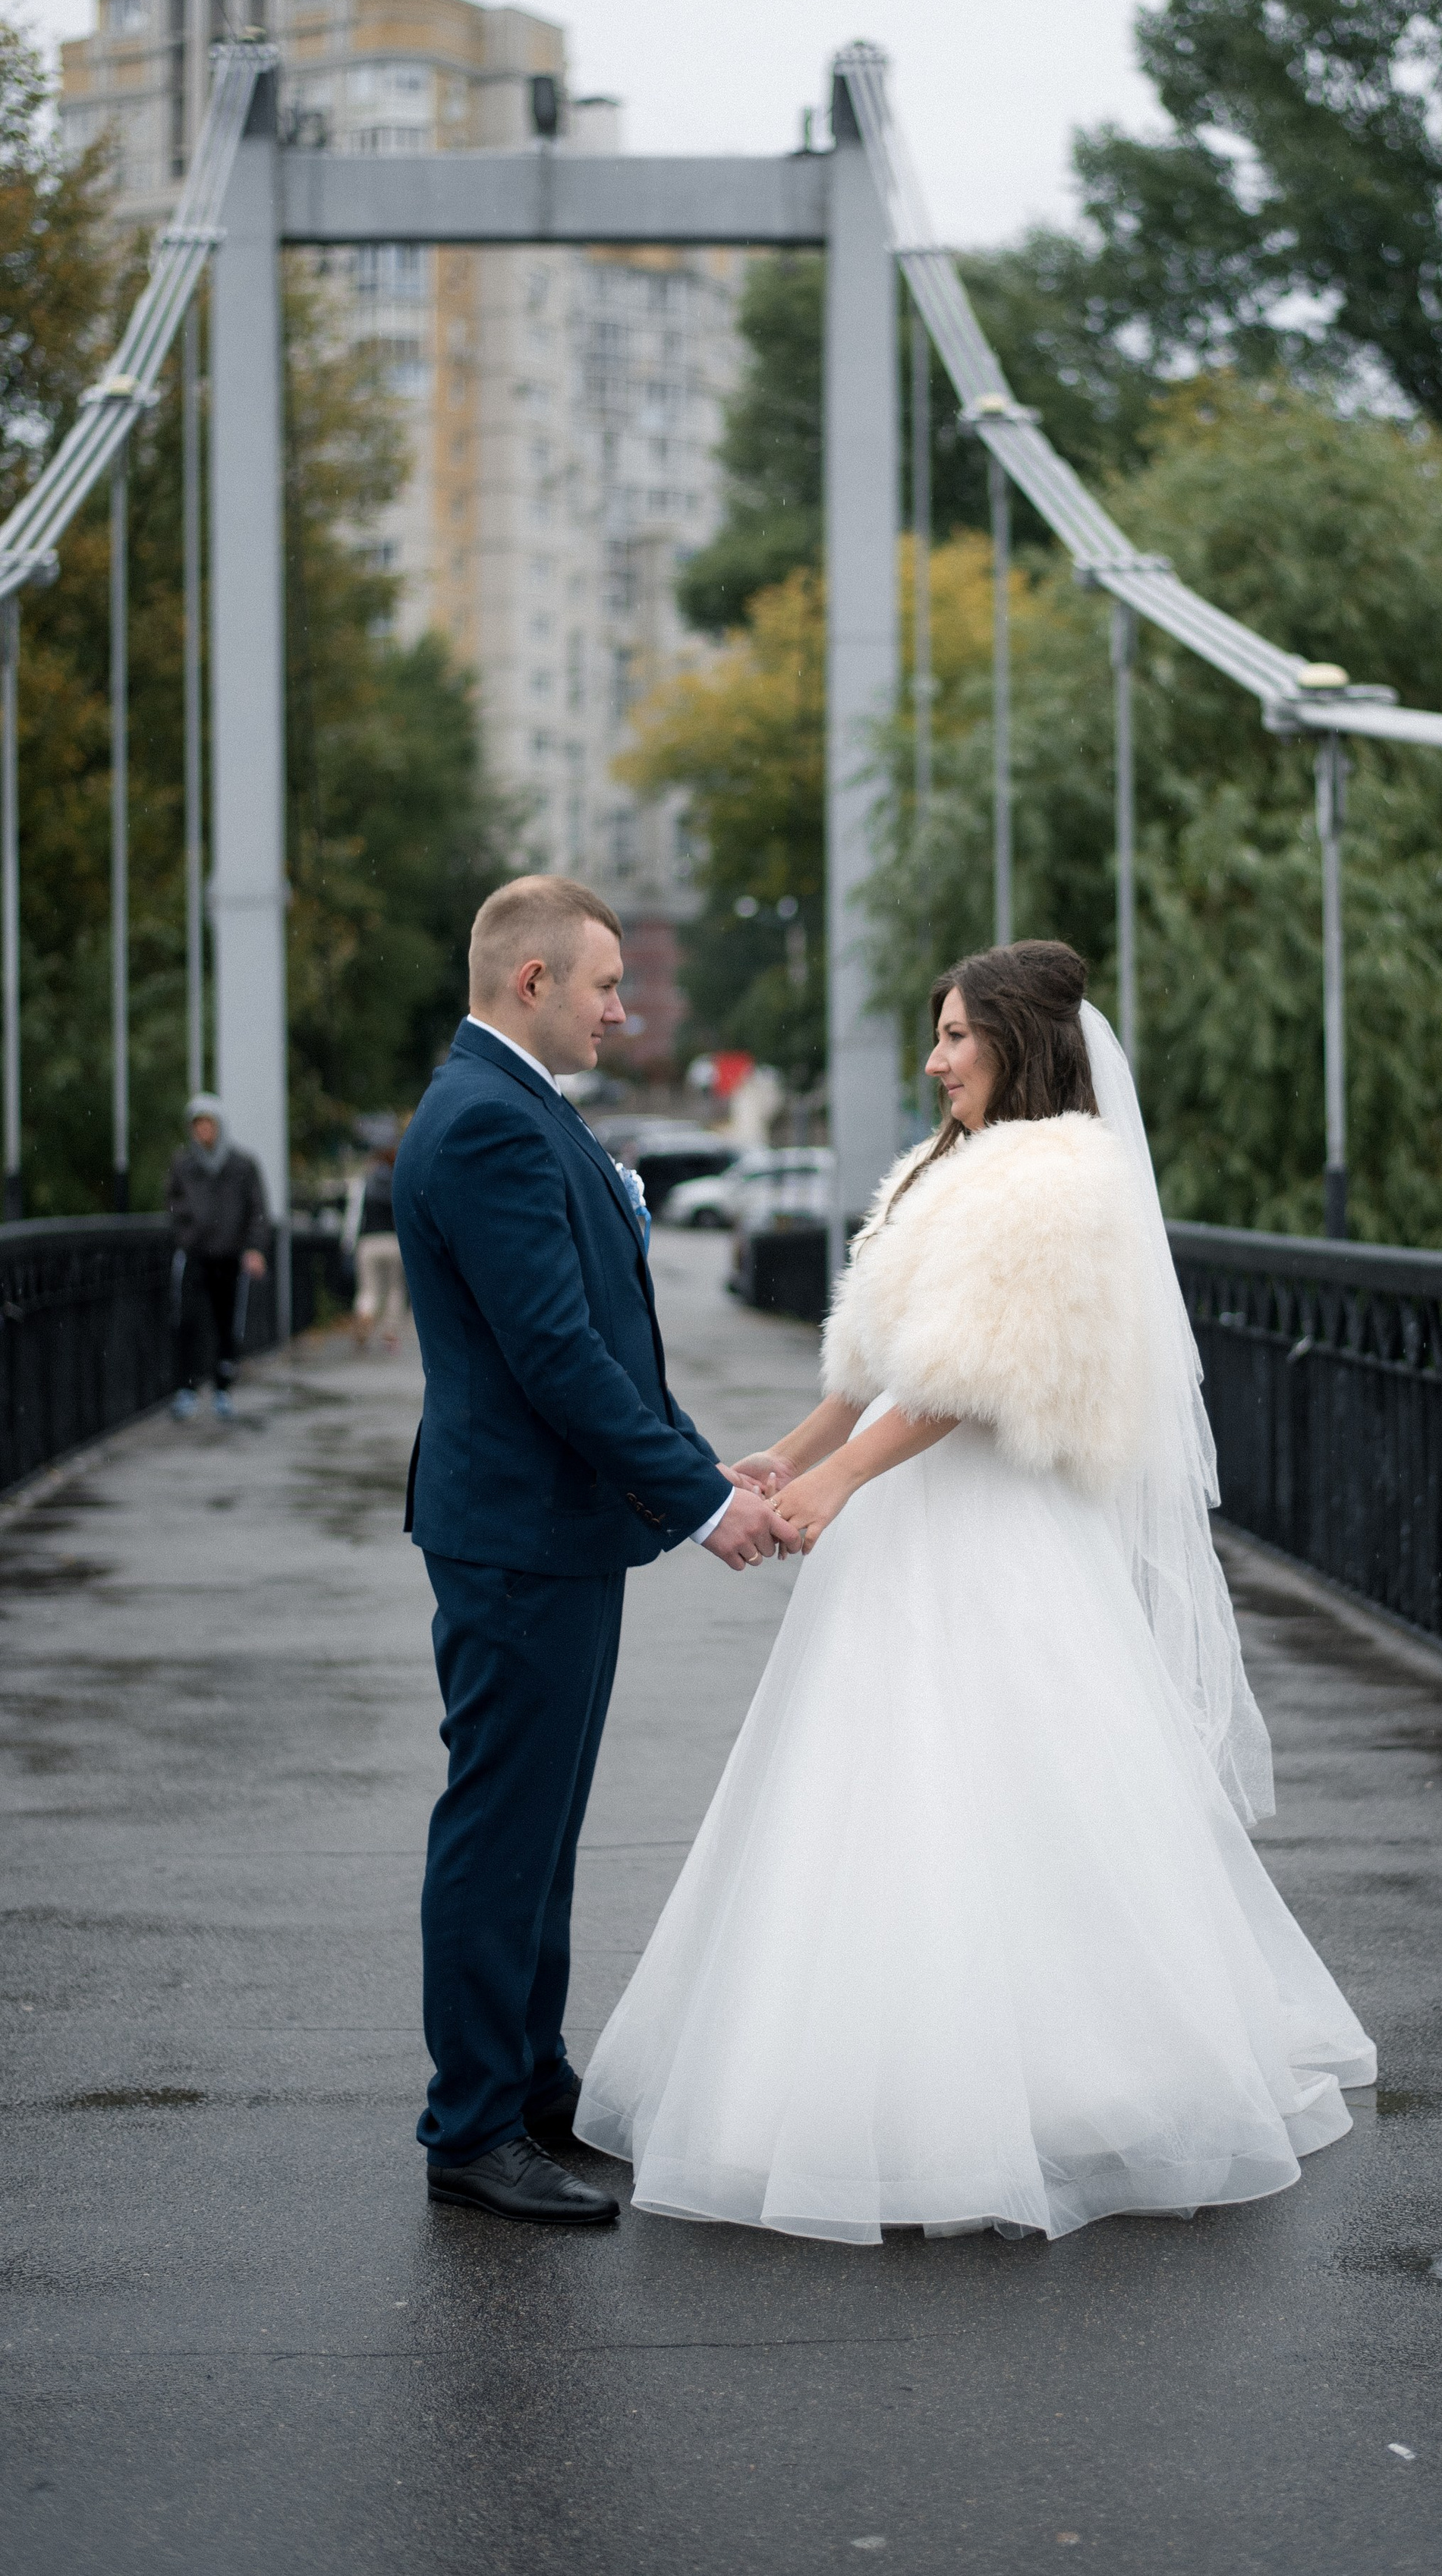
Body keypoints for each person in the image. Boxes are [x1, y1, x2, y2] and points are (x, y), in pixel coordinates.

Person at [578, 941, 1376, 2243]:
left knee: (1012, 1780)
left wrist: (839, 1489)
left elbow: (970, 1376)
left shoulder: (1061, 1177)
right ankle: (880, 2077)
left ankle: (1069, 2087)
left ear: (1018, 1041)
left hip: (993, 1521)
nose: (935, 1058)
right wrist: (796, 1449)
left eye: (955, 1036)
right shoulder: (943, 1166)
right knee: (877, 1786)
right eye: (937, 1035)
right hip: (912, 1515)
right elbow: (882, 1352)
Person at [392, 875, 799, 2230]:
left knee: (542, 1830)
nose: (624, 1010)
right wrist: (698, 1505)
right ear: (532, 985)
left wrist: (701, 1458)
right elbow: (554, 1357)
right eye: (606, 986)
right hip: (517, 1536)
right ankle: (470, 2127)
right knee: (503, 1828)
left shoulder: (516, 1111)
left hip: (548, 1532)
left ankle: (529, 2085)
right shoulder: (491, 1126)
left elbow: (603, 1338)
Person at [165, 1095, 270, 1424]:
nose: (204, 1131)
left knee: (227, 1322)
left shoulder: (241, 1164)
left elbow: (257, 1210)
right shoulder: (183, 1164)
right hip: (197, 1255)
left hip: (229, 1256)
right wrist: (189, 1233)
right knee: (188, 1320)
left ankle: (223, 1387)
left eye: (209, 1124)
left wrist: (254, 1248)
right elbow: (172, 1204)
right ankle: (187, 1388)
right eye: (198, 1125)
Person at [345, 1124, 408, 1351]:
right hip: (394, 1241)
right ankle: (390, 1334)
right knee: (394, 1289)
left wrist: (348, 1244)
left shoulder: (364, 1183)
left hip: (369, 1241)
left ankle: (365, 1312)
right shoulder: (398, 1180)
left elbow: (354, 1216)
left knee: (368, 1289)